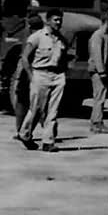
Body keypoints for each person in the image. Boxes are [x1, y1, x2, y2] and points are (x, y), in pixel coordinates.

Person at [16, 9, 68, 152]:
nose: (59, 22)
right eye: (56, 19)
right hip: (40, 74)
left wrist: (63, 75)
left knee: (53, 111)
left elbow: (64, 58)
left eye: (60, 20)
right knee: (36, 109)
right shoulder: (37, 37)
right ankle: (24, 134)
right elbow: (25, 57)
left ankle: (48, 142)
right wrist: (31, 76)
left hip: (57, 76)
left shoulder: (61, 39)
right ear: (48, 20)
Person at [87, 17, 108, 135]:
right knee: (99, 97)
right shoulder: (97, 36)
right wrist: (101, 71)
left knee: (101, 96)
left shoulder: (106, 35)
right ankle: (97, 124)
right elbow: (97, 54)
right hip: (98, 72)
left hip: (103, 71)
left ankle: (96, 122)